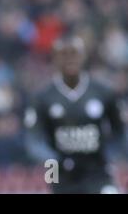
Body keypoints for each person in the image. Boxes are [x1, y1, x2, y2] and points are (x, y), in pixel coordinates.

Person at [24, 35, 127, 194]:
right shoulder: (42, 97)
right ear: (55, 59)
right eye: (63, 54)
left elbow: (119, 130)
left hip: (97, 169)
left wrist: (110, 154)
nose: (69, 59)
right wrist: (51, 159)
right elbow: (34, 139)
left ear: (83, 56)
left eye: (74, 53)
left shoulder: (104, 91)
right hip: (58, 172)